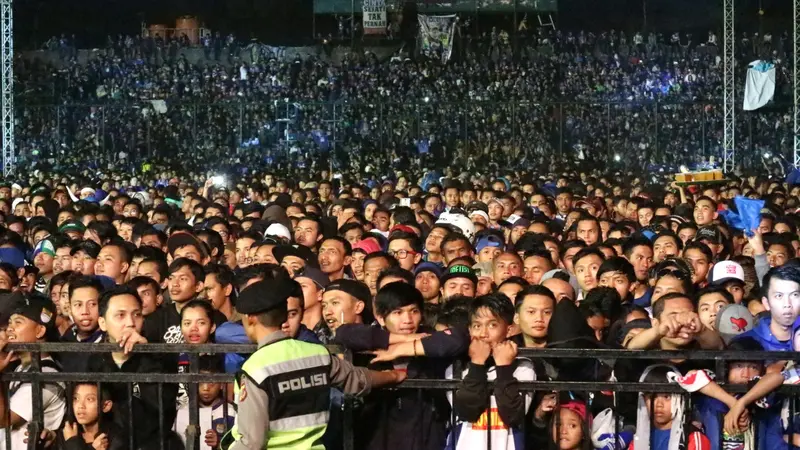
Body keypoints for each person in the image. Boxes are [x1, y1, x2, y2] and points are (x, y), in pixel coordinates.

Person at [220, 276, 406, 450]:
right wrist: (392, 375)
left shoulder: (255, 368)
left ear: (250, 319)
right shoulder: (317, 354)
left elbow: (252, 441)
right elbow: (358, 379)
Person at [448, 293, 535, 450]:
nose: (483, 334)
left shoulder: (524, 367)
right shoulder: (455, 367)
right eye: (477, 326)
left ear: (508, 330)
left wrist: (504, 369)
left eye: (492, 325)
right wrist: (476, 364)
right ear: (469, 330)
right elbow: (467, 412)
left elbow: (513, 416)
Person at [0, 292, 65, 450]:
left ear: (40, 331)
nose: (10, 329)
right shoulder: (22, 367)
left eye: (18, 322)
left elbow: (3, 419)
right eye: (10, 323)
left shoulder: (46, 374)